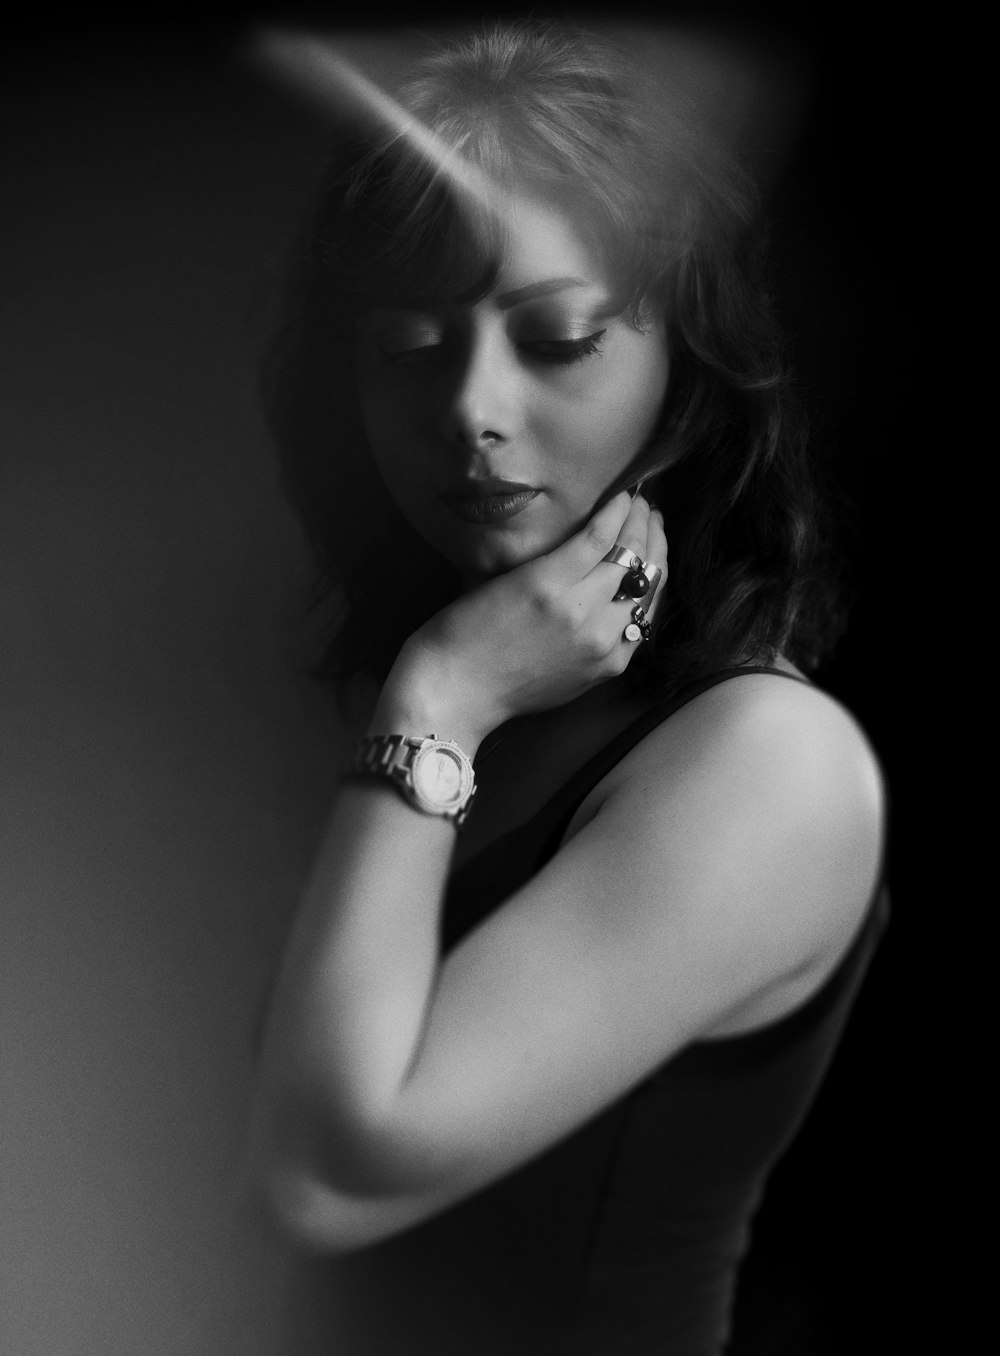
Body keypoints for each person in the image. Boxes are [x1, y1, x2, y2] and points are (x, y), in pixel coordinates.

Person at [245, 21, 887, 1355]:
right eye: (409, 350)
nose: (470, 409)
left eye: (559, 339)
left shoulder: (772, 763)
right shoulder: (486, 691)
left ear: (690, 370)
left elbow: (328, 1174)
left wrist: (436, 701)